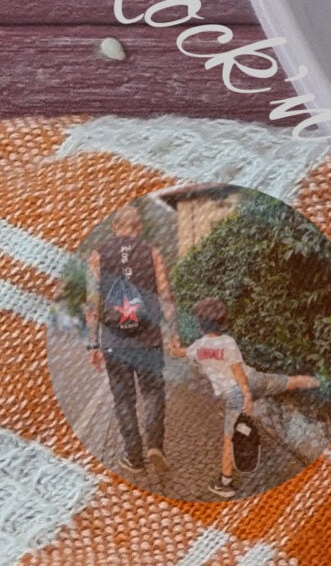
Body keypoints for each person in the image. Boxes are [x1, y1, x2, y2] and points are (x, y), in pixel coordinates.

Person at [184, 298, 318, 497]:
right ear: (222, 322)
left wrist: (246, 395)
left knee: (229, 438)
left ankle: (225, 483)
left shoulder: (198, 347)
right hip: (255, 380)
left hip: (237, 393)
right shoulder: (228, 342)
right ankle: (321, 384)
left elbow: (233, 372)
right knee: (291, 381)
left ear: (199, 324)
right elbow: (239, 370)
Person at [85, 204, 174, 476]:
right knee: (153, 393)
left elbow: (92, 304)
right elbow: (165, 297)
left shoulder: (97, 256)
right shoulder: (153, 253)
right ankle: (155, 445)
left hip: (115, 343)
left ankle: (134, 457)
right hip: (149, 340)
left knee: (124, 400)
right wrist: (175, 334)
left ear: (115, 227)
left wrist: (93, 344)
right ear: (139, 228)